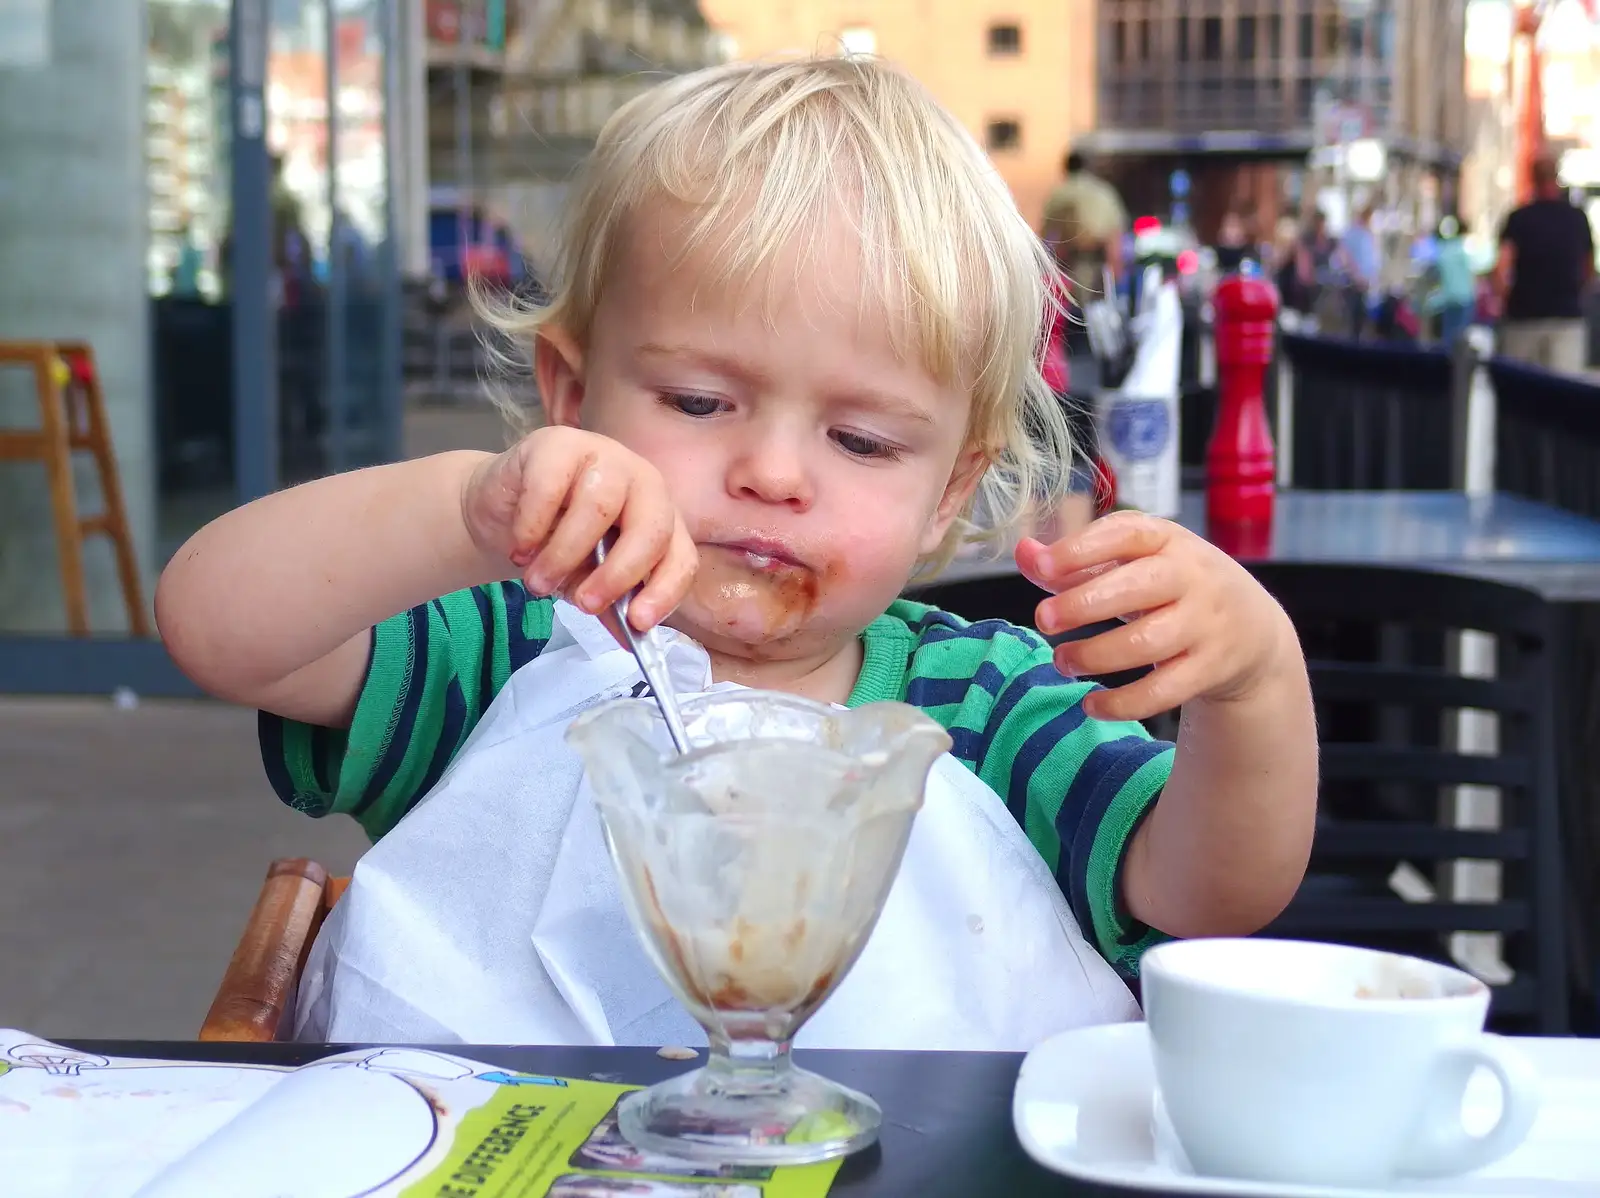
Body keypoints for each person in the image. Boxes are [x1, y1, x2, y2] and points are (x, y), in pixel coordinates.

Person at [156, 57, 1317, 1036]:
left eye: (860, 439)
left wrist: (1255, 681)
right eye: (701, 404)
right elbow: (217, 627)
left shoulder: (984, 702)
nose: (772, 472)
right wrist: (465, 511)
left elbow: (1204, 894)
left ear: (946, 488)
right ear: (570, 395)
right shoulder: (500, 643)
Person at [1494, 154, 1596, 374]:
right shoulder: (1577, 219)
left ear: (1532, 179)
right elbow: (1589, 269)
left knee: (1520, 394)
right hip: (1567, 318)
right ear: (1557, 178)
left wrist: (1506, 301)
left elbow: (1502, 270)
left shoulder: (1518, 218)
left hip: (1523, 317)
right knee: (1563, 394)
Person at [1042, 150, 1129, 306]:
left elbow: (1047, 232)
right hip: (1104, 261)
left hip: (1080, 260)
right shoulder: (1104, 190)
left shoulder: (1063, 191)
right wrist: (1116, 265)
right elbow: (1116, 231)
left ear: (1065, 168)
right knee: (1102, 309)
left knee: (1081, 309)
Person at [1426, 214, 1477, 347]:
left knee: (1448, 337)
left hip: (1448, 299)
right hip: (1464, 298)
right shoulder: (1464, 248)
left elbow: (1435, 275)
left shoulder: (1441, 250)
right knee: (1461, 337)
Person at [1336, 204, 1381, 339]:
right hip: (1354, 284)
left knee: (1363, 320)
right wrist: (1356, 276)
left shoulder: (1368, 235)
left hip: (1366, 284)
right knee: (1353, 320)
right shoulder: (1353, 233)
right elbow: (1345, 256)